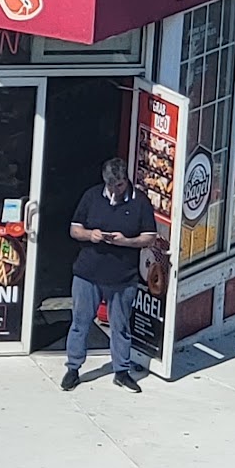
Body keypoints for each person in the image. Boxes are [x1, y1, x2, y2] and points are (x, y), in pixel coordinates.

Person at [62, 155, 158, 394]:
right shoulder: (92, 196)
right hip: (88, 272)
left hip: (122, 276)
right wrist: (90, 235)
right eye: (111, 185)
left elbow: (150, 237)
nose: (115, 190)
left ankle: (121, 371)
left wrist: (126, 241)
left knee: (120, 326)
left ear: (126, 180)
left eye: (120, 185)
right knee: (80, 322)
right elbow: (74, 229)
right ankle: (73, 368)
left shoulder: (140, 202)